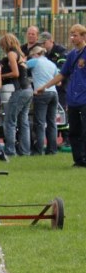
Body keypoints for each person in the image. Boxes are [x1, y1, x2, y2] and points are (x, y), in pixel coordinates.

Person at [38, 24, 86, 168]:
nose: (72, 38)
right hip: (73, 99)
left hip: (85, 98)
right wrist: (45, 86)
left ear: (83, 36)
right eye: (71, 34)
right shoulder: (71, 55)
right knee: (74, 130)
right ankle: (78, 160)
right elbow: (62, 74)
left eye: (75, 35)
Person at [0, 33, 32, 156]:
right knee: (23, 122)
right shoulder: (21, 55)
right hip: (28, 89)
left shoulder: (11, 54)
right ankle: (25, 151)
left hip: (20, 90)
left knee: (9, 121)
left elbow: (15, 73)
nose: (2, 47)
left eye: (2, 45)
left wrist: (1, 76)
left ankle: (10, 151)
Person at [39, 31, 69, 148]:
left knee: (62, 111)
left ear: (51, 40)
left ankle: (66, 138)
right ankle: (53, 140)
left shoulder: (61, 51)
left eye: (44, 43)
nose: (42, 46)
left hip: (62, 86)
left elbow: (63, 70)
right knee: (53, 114)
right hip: (51, 86)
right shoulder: (44, 53)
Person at [27, 46, 59, 155]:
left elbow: (22, 66)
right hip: (54, 93)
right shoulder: (52, 64)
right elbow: (58, 81)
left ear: (35, 54)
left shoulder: (34, 61)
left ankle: (38, 150)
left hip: (41, 93)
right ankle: (52, 150)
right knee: (52, 123)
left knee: (40, 123)